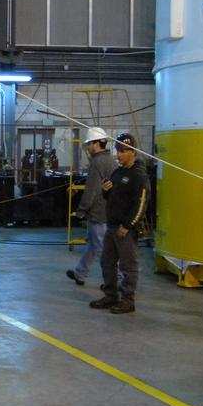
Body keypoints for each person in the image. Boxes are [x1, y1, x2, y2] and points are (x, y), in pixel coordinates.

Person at [89, 133, 149, 315]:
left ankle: (128, 300)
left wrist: (128, 225)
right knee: (107, 262)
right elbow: (112, 196)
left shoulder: (139, 176)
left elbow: (141, 204)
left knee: (128, 266)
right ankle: (111, 296)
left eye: (123, 151)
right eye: (118, 150)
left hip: (125, 229)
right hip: (112, 226)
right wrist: (105, 191)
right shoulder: (119, 172)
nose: (119, 154)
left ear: (133, 152)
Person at [67, 127, 118, 287]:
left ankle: (117, 282)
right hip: (107, 210)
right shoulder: (109, 160)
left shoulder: (97, 162)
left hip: (99, 213)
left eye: (89, 143)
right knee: (92, 245)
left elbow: (93, 190)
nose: (87, 147)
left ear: (96, 143)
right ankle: (80, 273)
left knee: (103, 251)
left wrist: (82, 209)